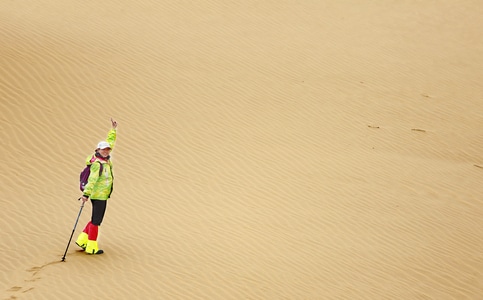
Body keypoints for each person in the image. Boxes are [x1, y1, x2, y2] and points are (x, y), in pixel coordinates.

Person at [75, 118, 118, 255]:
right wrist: (86, 195)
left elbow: (110, 142)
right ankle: (91, 246)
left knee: (95, 218)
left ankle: (82, 240)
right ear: (98, 150)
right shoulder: (97, 164)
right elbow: (92, 180)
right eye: (104, 149)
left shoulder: (105, 159)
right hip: (98, 195)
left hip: (102, 194)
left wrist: (113, 129)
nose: (106, 151)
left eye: (107, 149)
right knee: (96, 221)